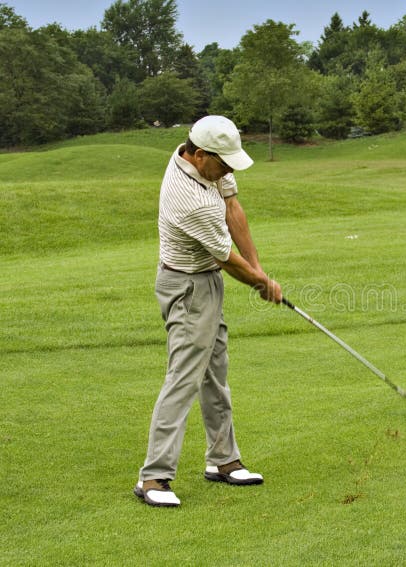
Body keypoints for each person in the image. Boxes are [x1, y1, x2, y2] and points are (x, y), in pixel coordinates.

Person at [134, 115, 282, 507]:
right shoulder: (191, 200)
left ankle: (222, 461)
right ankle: (153, 478)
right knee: (183, 377)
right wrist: (259, 284)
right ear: (200, 156)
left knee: (215, 371)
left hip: (206, 281)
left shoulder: (203, 162)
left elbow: (233, 207)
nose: (230, 170)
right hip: (185, 287)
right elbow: (226, 259)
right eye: (224, 163)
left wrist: (260, 269)